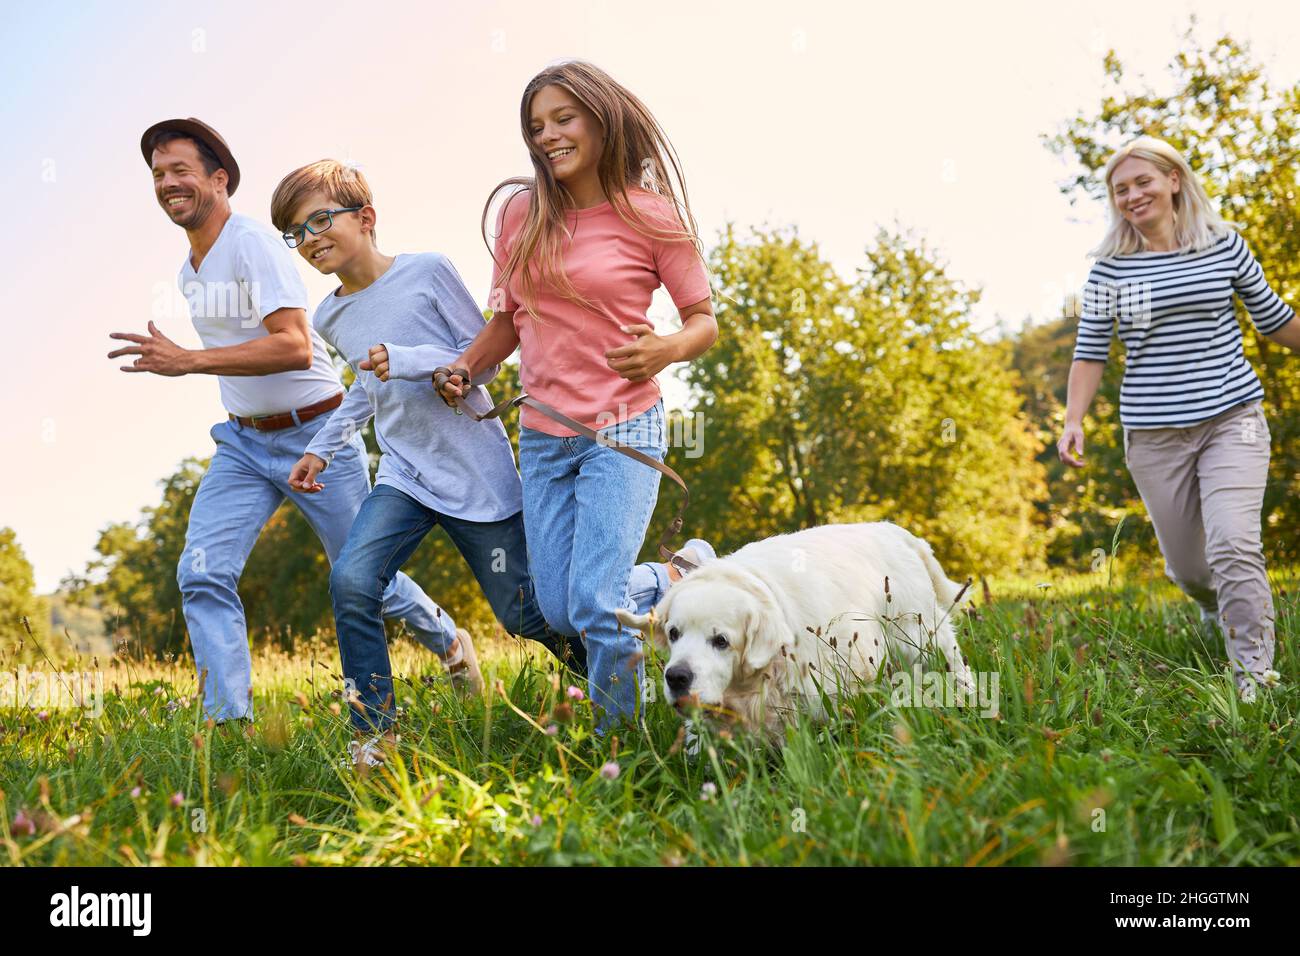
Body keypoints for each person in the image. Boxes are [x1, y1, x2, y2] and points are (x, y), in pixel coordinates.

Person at [271, 159, 710, 757]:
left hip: (475, 473)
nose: (309, 239)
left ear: (366, 218)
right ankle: (373, 738)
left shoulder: (427, 273)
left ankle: (652, 610)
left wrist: (408, 359)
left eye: (320, 219)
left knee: (532, 615)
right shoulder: (328, 315)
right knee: (351, 578)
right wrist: (320, 450)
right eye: (295, 232)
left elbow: (483, 355)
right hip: (404, 474)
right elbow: (365, 389)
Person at [111, 118, 452, 724]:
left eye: (180, 171)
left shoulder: (251, 243)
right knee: (202, 570)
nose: (167, 183)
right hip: (242, 442)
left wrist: (187, 361)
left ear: (219, 179)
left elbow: (293, 345)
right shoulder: (189, 270)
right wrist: (199, 368)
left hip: (314, 435)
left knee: (361, 573)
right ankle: (228, 721)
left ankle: (448, 640)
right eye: (158, 175)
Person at [437, 61, 718, 727]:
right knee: (560, 607)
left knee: (596, 603)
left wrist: (663, 349)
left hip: (625, 426)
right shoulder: (520, 214)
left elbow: (704, 323)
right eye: (537, 126)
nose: (548, 136)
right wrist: (465, 369)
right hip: (542, 436)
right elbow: (506, 322)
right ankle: (678, 575)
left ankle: (620, 752)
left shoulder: (652, 216)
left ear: (600, 119)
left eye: (563, 119)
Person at [1058, 135, 1300, 702]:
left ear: (1173, 180)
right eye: (1121, 189)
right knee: (1191, 570)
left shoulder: (1223, 246)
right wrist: (1074, 419)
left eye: (1143, 181)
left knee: (1234, 542)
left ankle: (1254, 673)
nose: (1133, 195)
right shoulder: (1109, 272)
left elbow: (1274, 318)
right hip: (1155, 435)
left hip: (1231, 419)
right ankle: (1218, 609)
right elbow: (1090, 352)